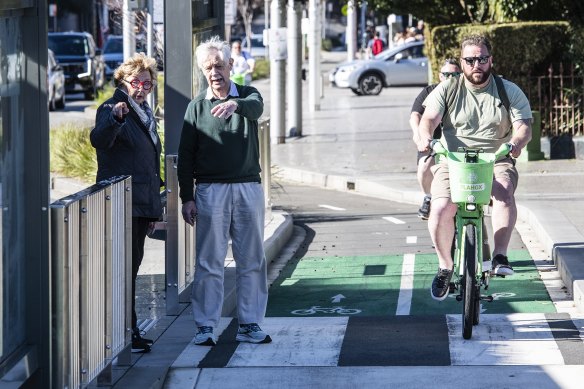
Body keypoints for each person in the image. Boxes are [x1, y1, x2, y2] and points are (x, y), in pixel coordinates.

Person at [415, 34, 533, 301]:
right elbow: (429, 119)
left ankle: (501, 256)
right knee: (442, 206)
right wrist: (425, 137)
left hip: (496, 159)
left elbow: (524, 125)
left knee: (503, 193)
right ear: (462, 62)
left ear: (490, 60)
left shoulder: (507, 90)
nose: (476, 65)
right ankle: (445, 266)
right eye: (470, 60)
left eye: (481, 59)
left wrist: (515, 142)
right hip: (453, 160)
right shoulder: (448, 88)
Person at [177, 36, 272, 346]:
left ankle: (250, 323)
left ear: (231, 65)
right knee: (208, 261)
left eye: (218, 65)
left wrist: (235, 104)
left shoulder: (247, 94)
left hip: (247, 187)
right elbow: (186, 155)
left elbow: (256, 108)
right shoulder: (196, 107)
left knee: (252, 259)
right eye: (208, 67)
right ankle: (205, 326)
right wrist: (187, 197)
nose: (214, 72)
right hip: (210, 190)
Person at [90, 53, 163, 353]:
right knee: (122, 269)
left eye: (148, 83)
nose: (142, 88)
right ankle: (122, 334)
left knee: (131, 269)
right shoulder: (113, 107)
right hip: (122, 203)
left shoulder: (145, 111)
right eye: (136, 82)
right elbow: (99, 139)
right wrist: (115, 119)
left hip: (141, 203)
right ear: (123, 81)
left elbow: (147, 159)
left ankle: (127, 331)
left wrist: (155, 207)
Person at [410, 59, 462, 220]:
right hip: (434, 140)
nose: (450, 78)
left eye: (455, 75)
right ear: (440, 76)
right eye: (446, 74)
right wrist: (419, 135)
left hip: (459, 141)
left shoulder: (466, 93)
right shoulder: (429, 92)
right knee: (425, 166)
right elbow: (415, 115)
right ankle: (428, 197)